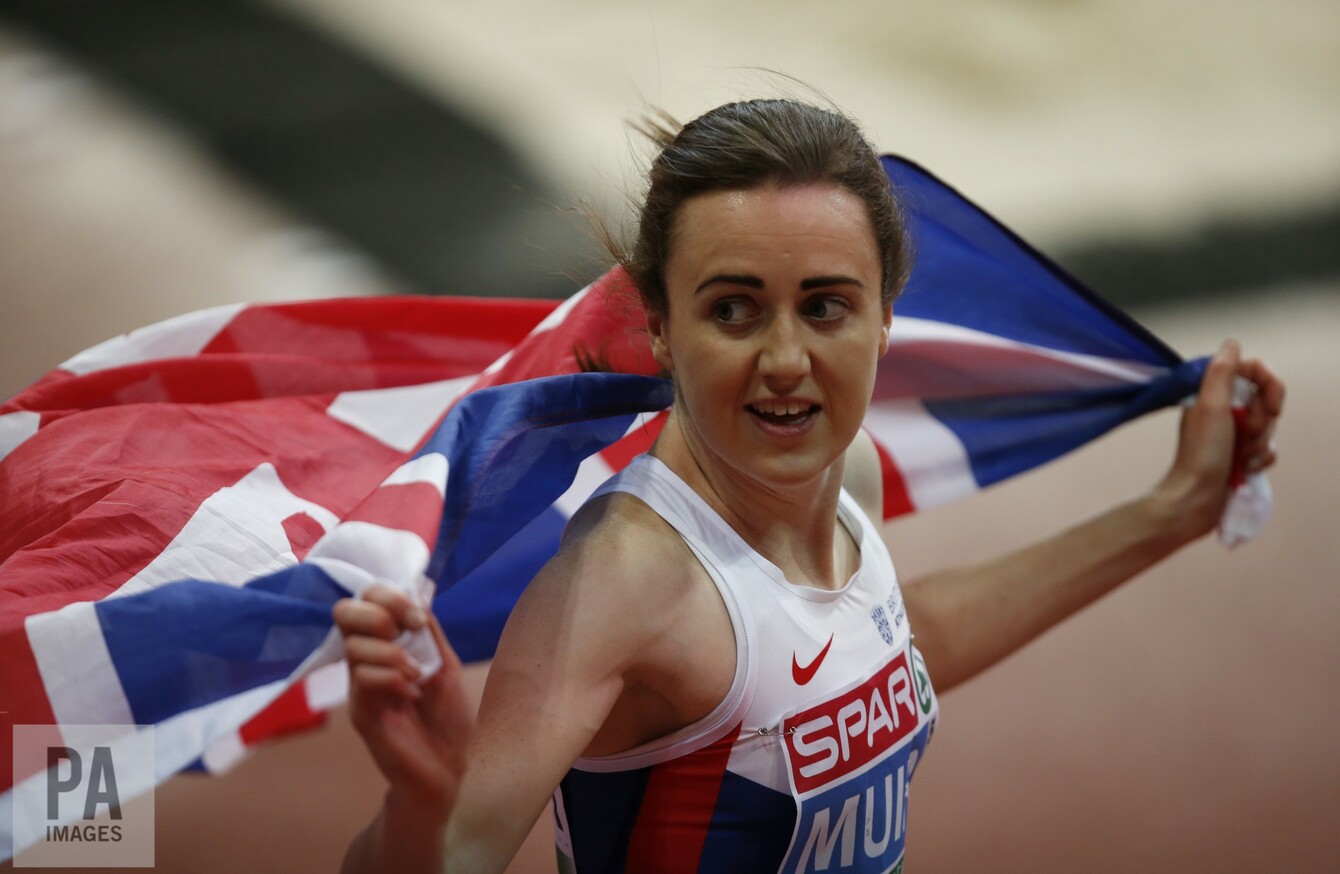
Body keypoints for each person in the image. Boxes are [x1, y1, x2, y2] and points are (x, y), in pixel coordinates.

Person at [333, 99, 1284, 873]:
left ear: (884, 322)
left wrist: (1173, 511)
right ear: (662, 327)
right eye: (734, 310)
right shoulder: (627, 582)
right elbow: (453, 853)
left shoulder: (826, 507)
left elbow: (882, 646)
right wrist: (420, 807)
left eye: (825, 306)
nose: (785, 359)